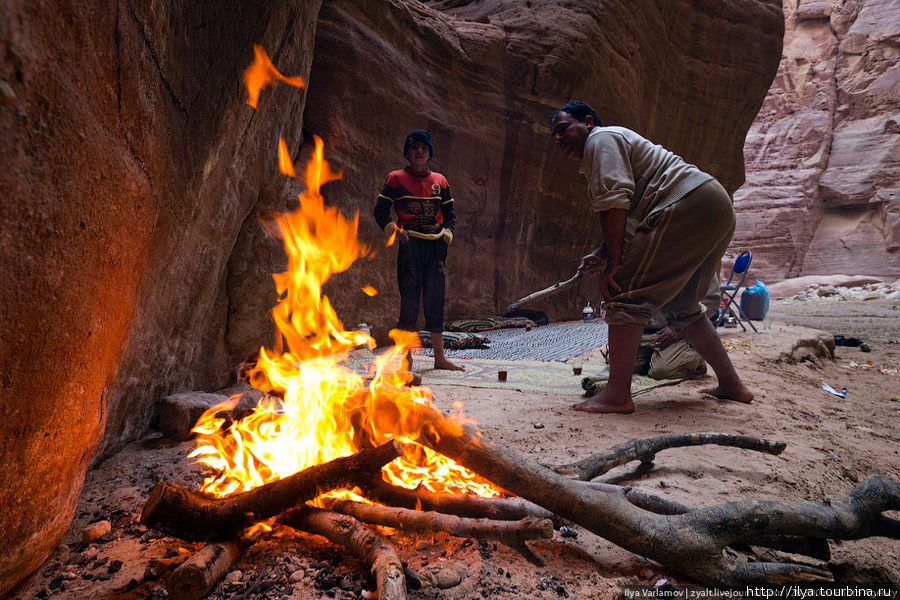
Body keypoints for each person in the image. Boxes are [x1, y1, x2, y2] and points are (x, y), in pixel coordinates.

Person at [549, 101, 752, 413]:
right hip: (712, 206)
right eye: (555, 135)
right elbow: (631, 217)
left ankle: (617, 395)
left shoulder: (600, 140)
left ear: (588, 122)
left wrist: (614, 266)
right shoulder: (608, 146)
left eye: (563, 129)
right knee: (684, 309)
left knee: (623, 294)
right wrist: (603, 253)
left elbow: (615, 202)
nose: (558, 138)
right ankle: (732, 385)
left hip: (686, 202)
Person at [374, 129, 465, 371]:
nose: (419, 152)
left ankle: (440, 358)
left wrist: (447, 235)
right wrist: (395, 231)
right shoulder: (395, 178)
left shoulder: (440, 181)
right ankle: (407, 360)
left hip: (435, 247)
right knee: (410, 303)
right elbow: (380, 212)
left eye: (424, 148)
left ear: (430, 153)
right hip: (410, 246)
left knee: (436, 300)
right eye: (414, 148)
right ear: (407, 152)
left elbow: (450, 215)